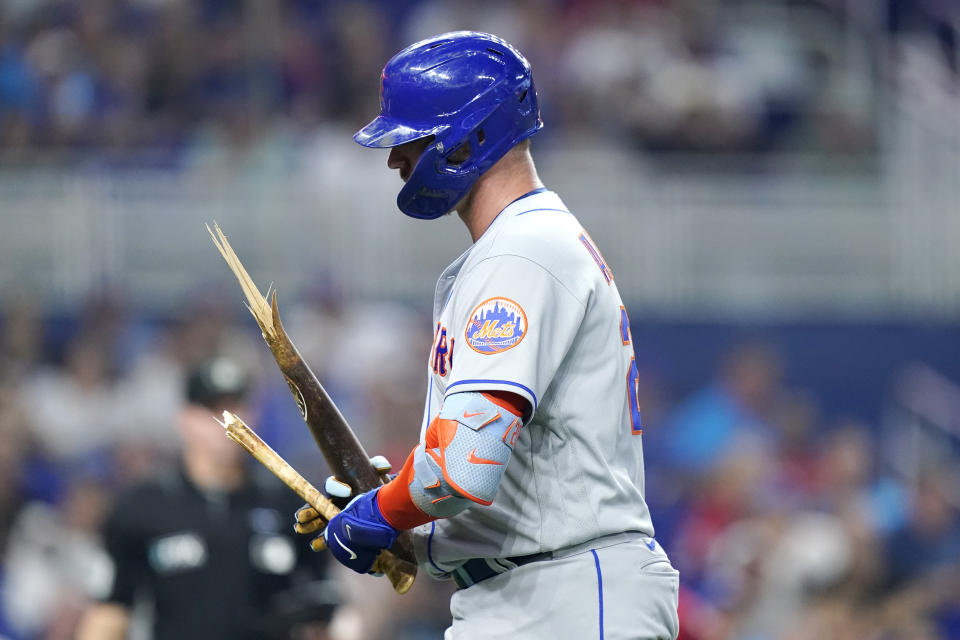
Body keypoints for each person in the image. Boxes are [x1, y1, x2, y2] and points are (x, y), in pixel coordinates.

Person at [295, 31, 680, 639]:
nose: (396, 160)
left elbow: (463, 467)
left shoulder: (522, 252)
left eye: (411, 140)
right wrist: (395, 511)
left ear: (470, 136)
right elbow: (482, 472)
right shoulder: (520, 246)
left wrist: (385, 508)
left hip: (568, 594)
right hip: (520, 592)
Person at [78, 356, 340, 640]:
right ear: (185, 419)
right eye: (211, 409)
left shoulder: (291, 504)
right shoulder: (141, 507)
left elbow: (326, 611)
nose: (227, 420)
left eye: (237, 407)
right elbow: (109, 614)